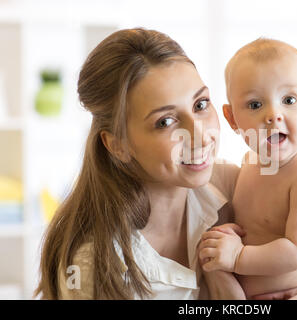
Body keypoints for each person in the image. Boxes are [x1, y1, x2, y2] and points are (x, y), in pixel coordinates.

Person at [34, 28, 244, 299]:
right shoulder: (93, 264)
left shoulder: (232, 187)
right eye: (165, 122)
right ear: (117, 145)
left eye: (201, 104)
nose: (200, 136)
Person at [198, 38, 297, 300]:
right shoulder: (249, 164)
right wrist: (228, 232)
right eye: (255, 105)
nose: (273, 114)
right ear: (232, 119)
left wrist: (238, 256)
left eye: (288, 100)